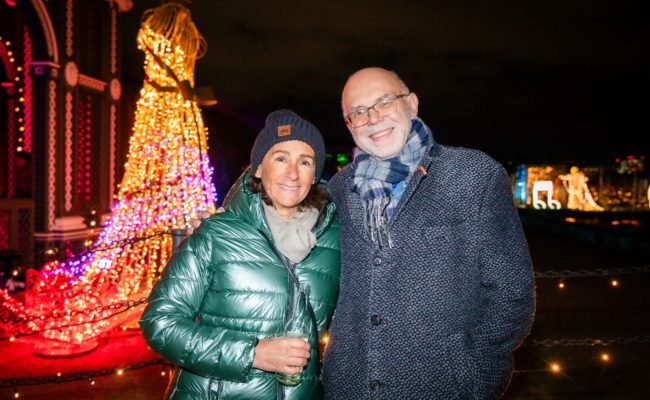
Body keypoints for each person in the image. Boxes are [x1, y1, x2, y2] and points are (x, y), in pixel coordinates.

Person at [321, 67, 536, 399]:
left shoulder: (474, 176)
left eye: (384, 102)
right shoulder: (340, 188)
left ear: (412, 104)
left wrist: (475, 377)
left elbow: (511, 293)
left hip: (443, 388)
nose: (373, 118)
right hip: (350, 386)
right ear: (349, 125)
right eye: (358, 112)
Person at [140, 109, 341, 399]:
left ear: (314, 175)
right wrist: (251, 354)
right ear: (259, 169)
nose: (293, 173)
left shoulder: (334, 239)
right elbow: (160, 322)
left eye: (305, 161)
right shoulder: (217, 233)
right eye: (281, 158)